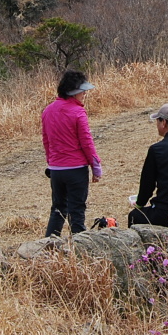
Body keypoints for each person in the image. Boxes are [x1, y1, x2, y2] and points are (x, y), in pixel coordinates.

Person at [41, 69, 102, 237]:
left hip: (56, 170)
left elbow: (46, 141)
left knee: (58, 210)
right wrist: (96, 167)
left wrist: (51, 162)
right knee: (77, 211)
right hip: (76, 169)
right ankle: (79, 248)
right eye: (82, 91)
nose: (84, 94)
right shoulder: (78, 112)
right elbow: (86, 142)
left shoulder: (47, 111)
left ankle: (49, 247)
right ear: (74, 92)